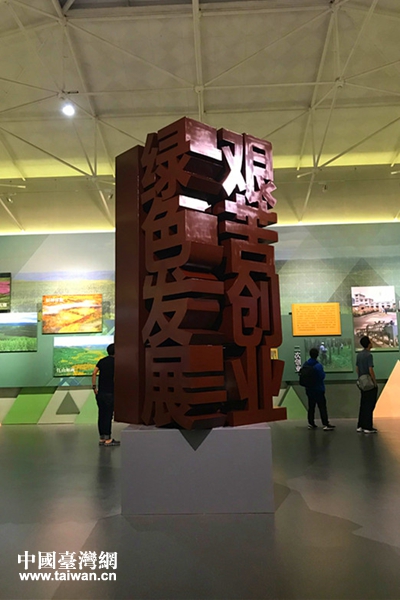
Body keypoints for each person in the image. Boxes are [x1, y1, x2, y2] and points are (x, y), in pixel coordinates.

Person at [91, 343, 120, 446]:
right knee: (108, 415)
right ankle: (108, 439)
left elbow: (94, 373)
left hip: (100, 392)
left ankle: (102, 438)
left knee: (101, 415)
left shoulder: (102, 361)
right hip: (110, 392)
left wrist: (94, 387)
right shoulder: (116, 362)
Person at [303, 348, 335, 431]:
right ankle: (325, 424)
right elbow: (322, 376)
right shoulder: (318, 366)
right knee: (322, 407)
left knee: (311, 407)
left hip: (309, 389)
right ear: (317, 355)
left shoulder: (306, 364)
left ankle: (311, 423)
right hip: (318, 389)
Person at [356, 336, 378, 433]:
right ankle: (368, 427)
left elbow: (357, 368)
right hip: (369, 383)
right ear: (368, 344)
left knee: (363, 403)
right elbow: (370, 370)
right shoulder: (369, 355)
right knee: (370, 405)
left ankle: (360, 425)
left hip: (362, 382)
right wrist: (374, 382)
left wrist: (361, 378)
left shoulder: (359, 355)